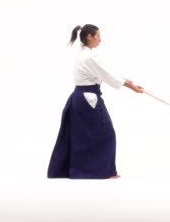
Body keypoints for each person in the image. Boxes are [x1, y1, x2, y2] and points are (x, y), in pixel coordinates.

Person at [47, 24, 144, 179]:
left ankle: (81, 170)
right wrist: (131, 86)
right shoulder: (90, 56)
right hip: (87, 99)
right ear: (89, 37)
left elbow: (107, 72)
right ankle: (101, 171)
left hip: (79, 98)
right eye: (98, 36)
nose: (100, 39)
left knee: (81, 136)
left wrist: (127, 80)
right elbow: (108, 74)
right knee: (107, 134)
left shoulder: (84, 54)